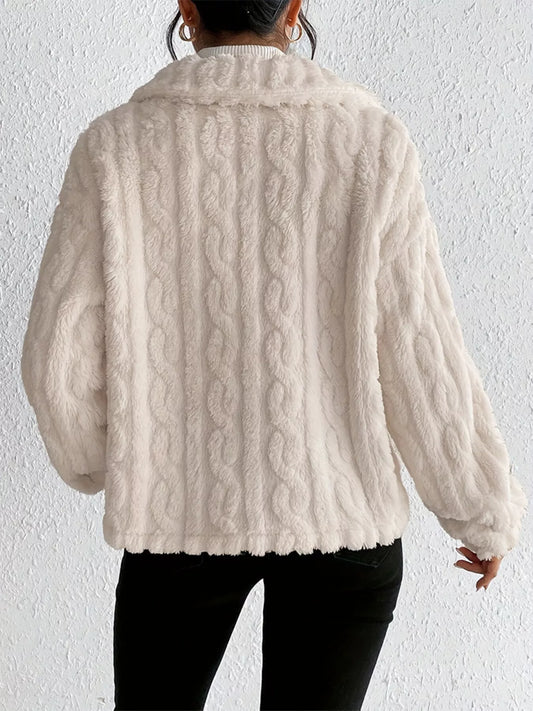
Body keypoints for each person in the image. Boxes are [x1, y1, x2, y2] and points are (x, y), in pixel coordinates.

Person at [19, 1, 528, 709]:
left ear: (187, 10)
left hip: (177, 519)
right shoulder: (370, 143)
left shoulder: (114, 148)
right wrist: (481, 508)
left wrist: (106, 461)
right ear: (293, 10)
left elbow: (55, 358)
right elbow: (420, 347)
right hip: (343, 521)